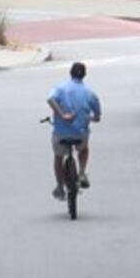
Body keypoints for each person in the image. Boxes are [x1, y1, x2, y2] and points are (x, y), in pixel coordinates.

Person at [43, 61, 103, 190]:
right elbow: (97, 116)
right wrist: (92, 118)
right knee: (84, 149)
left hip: (61, 133)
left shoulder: (60, 89)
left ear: (70, 73)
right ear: (84, 75)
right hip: (80, 134)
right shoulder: (90, 93)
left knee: (58, 157)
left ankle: (60, 186)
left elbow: (50, 99)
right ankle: (81, 173)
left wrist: (63, 115)